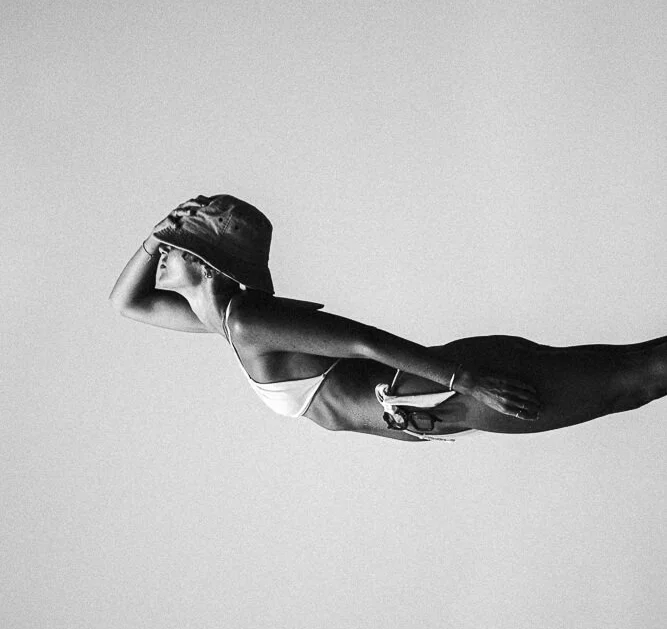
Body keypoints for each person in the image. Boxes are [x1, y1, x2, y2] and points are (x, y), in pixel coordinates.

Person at [109, 194, 667, 444]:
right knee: (637, 376)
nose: (163, 255)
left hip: (454, 390)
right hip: (444, 400)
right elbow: (126, 303)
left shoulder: (247, 320)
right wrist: (156, 236)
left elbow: (361, 341)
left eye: (175, 247)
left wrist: (468, 380)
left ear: (206, 265)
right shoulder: (231, 324)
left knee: (638, 377)